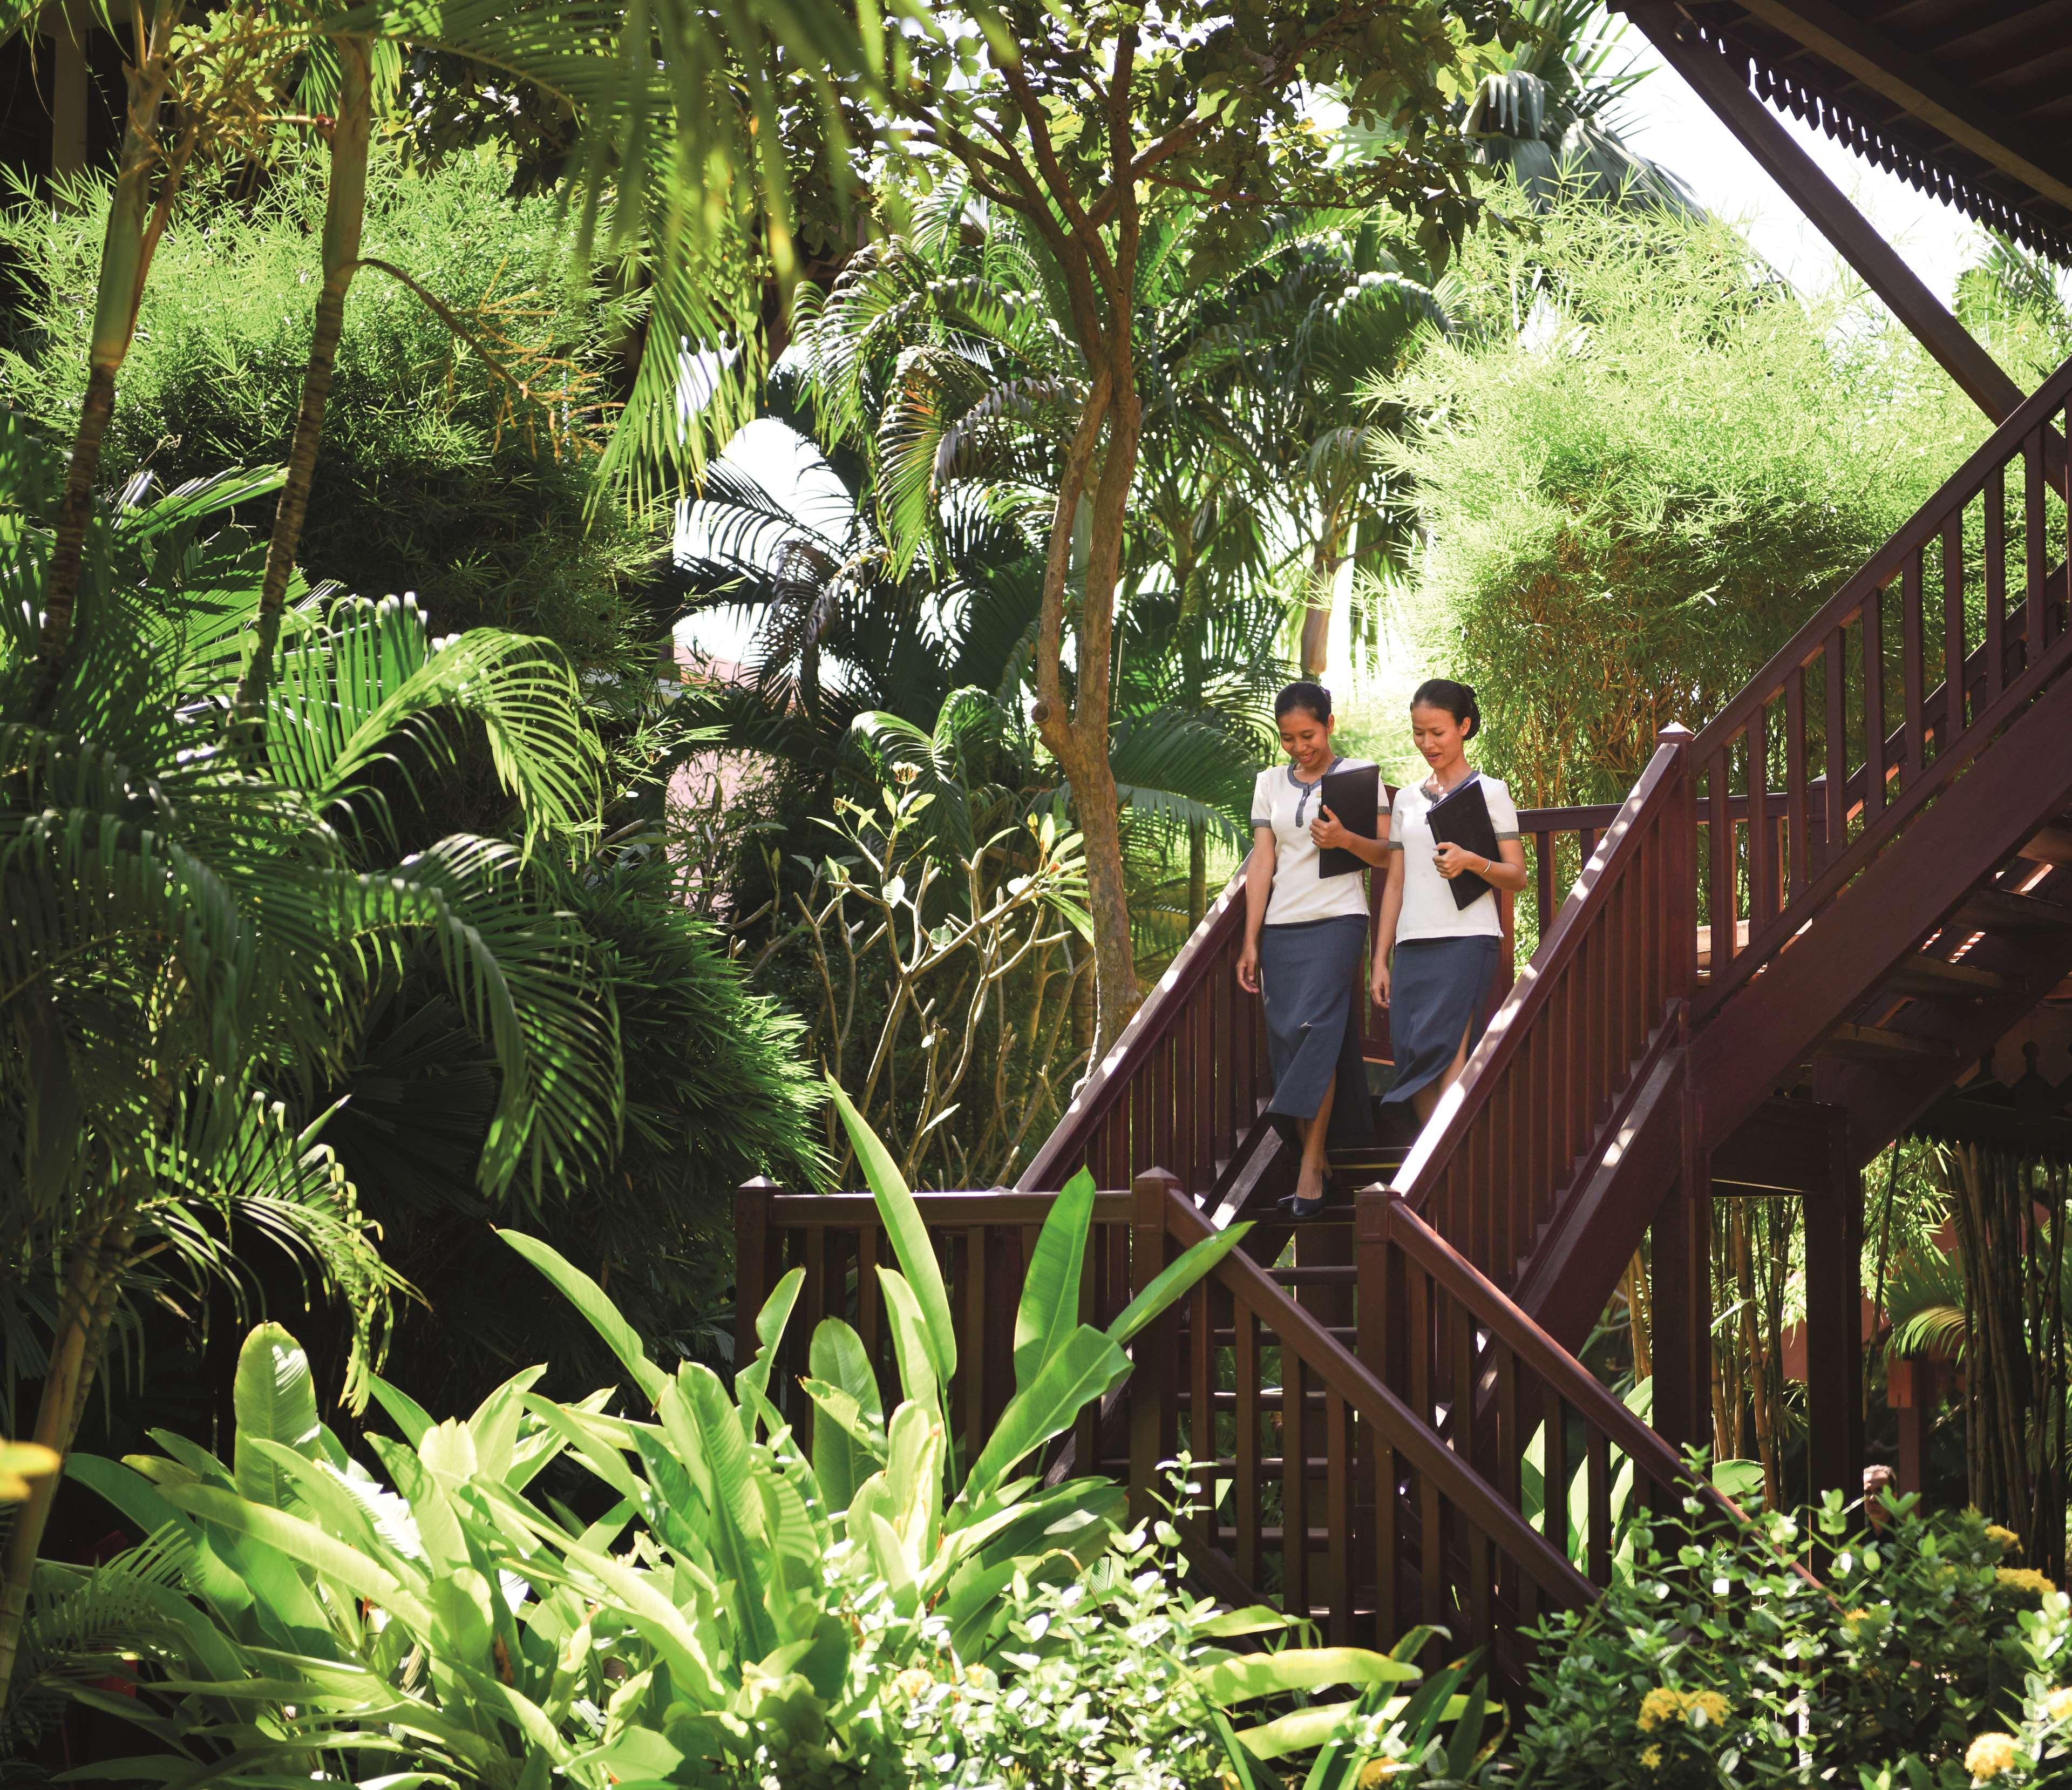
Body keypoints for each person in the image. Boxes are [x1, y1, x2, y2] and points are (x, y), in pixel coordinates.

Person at [1237, 681, 1390, 1217]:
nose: (1299, 747)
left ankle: (1309, 1163)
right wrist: (1250, 939)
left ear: (1329, 722)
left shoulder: (1358, 776)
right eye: (1287, 739)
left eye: (1308, 734)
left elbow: (1386, 856)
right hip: (1282, 928)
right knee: (1288, 1042)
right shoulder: (1266, 785)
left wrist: (1345, 840)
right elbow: (1262, 863)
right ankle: (1318, 1159)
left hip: (1338, 920)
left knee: (1314, 1033)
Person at [1372, 679, 1528, 1124]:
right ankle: (1432, 1170)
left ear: (1463, 726)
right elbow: (1395, 884)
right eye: (1419, 733)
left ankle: (1435, 1177)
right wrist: (1380, 959)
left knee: (1447, 1062)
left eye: (1437, 732)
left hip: (1466, 941)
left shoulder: (1491, 791)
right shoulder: (1404, 799)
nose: (1427, 743)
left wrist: (1472, 862)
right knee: (1413, 1064)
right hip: (1412, 945)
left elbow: (1516, 876)